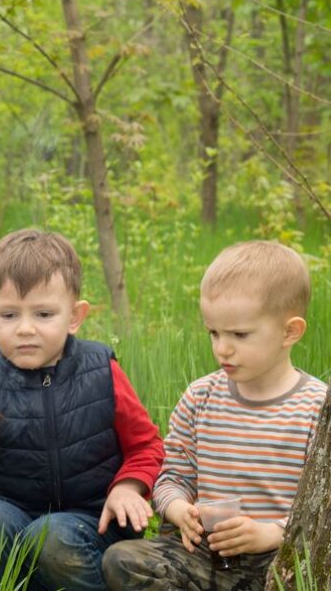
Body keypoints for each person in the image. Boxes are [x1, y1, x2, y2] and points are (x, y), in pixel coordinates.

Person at [0, 229, 164, 591]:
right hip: (13, 516)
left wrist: (128, 488)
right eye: (9, 315)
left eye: (43, 314)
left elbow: (146, 446)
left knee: (51, 537)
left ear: (74, 316)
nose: (25, 329)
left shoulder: (101, 371)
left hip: (93, 524)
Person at [102, 241, 328, 591]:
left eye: (239, 334)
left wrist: (271, 533)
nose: (222, 348)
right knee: (123, 560)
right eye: (214, 333)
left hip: (278, 561)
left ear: (290, 332)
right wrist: (178, 510)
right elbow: (172, 476)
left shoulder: (316, 408)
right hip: (205, 554)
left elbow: (323, 508)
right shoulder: (200, 397)